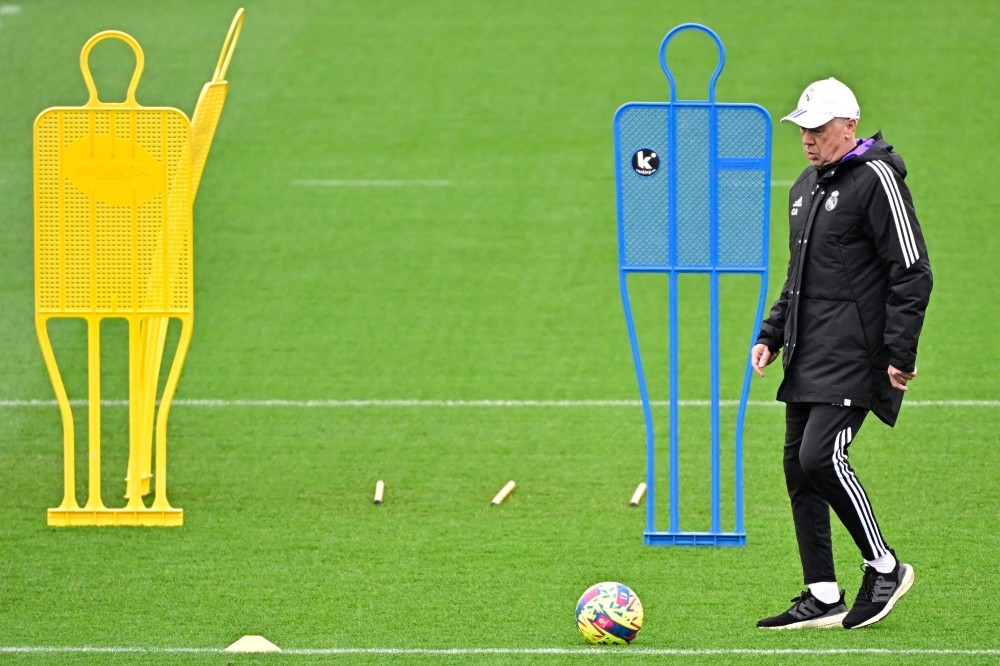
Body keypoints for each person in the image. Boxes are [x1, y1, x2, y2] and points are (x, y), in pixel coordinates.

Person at [752, 78, 933, 630]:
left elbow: (912, 271)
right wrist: (772, 333)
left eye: (818, 128)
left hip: (857, 353)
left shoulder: (877, 178)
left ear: (849, 126)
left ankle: (885, 567)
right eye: (803, 128)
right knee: (797, 467)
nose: (808, 139)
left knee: (820, 457)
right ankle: (823, 592)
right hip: (808, 353)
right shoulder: (805, 186)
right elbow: (798, 279)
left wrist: (899, 354)